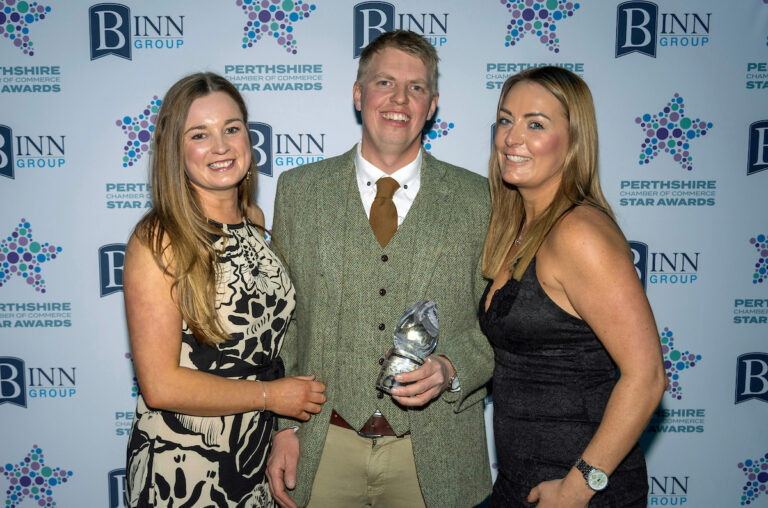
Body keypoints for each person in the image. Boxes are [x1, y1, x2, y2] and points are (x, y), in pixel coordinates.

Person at [266, 30, 493, 508]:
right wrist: (284, 427)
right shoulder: (299, 192)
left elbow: (498, 327)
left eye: (416, 88)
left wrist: (453, 368)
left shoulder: (480, 199)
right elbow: (282, 325)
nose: (399, 99)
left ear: (432, 104)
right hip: (324, 444)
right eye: (385, 82)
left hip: (437, 451)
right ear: (358, 93)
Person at [123, 72, 326, 507]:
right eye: (200, 134)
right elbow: (159, 385)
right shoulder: (159, 240)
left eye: (232, 129)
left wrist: (280, 425)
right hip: (184, 466)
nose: (221, 146)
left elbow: (268, 346)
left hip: (251, 456)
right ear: (175, 151)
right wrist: (273, 398)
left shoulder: (254, 222)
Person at [478, 66, 667, 507]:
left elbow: (647, 377)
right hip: (521, 485)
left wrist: (577, 488)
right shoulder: (519, 231)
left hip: (577, 492)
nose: (512, 137)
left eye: (536, 124)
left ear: (574, 141)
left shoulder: (579, 232)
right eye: (506, 120)